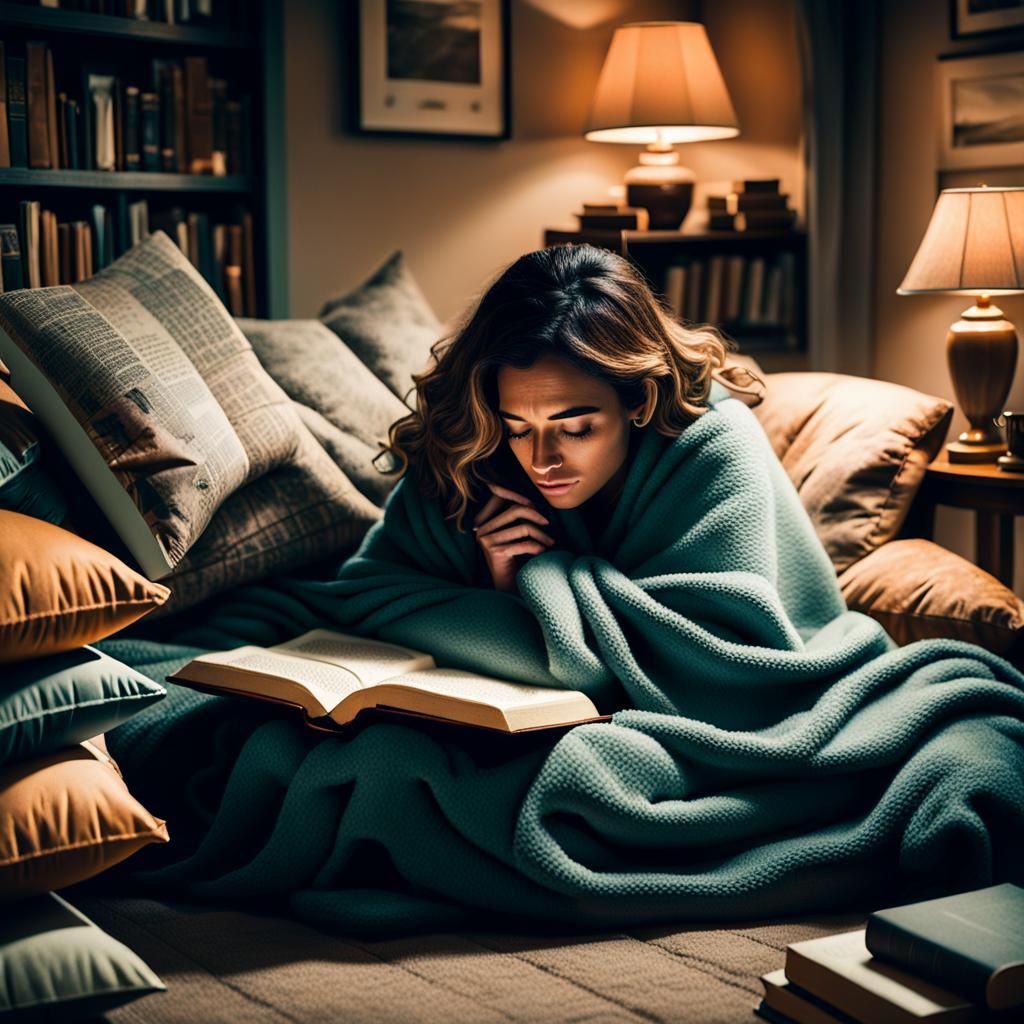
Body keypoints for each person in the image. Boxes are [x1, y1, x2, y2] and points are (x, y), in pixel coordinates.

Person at [377, 243, 760, 593]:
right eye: (519, 429)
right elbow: (370, 592)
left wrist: (537, 585)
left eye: (576, 429)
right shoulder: (477, 443)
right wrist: (501, 579)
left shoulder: (718, 445)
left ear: (641, 398)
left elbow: (715, 646)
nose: (541, 462)